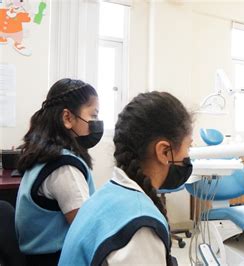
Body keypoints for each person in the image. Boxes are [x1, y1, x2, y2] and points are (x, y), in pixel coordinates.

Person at [59, 91, 193, 265]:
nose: (188, 156)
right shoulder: (141, 229)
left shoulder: (108, 193)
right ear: (164, 152)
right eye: (188, 148)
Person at [15, 78, 103, 265]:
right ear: (67, 118)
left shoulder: (44, 153)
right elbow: (86, 231)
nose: (97, 123)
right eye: (93, 115)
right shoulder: (65, 168)